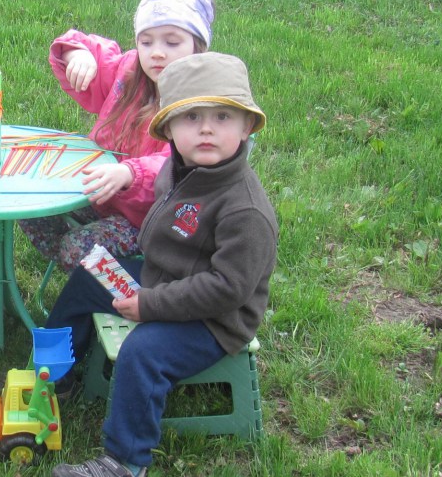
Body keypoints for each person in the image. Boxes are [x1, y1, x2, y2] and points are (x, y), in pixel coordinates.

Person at [48, 52, 278, 477]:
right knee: (87, 277)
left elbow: (227, 288)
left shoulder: (244, 209)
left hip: (212, 320)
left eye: (223, 117)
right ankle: (53, 377)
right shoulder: (177, 169)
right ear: (168, 128)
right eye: (191, 117)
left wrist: (150, 305)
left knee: (143, 352)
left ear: (247, 126)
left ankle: (125, 460)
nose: (206, 128)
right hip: (163, 281)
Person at [20, 0, 216, 273]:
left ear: (197, 46)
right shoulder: (130, 71)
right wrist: (77, 54)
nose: (157, 52)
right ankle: (84, 270)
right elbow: (96, 56)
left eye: (172, 42)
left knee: (77, 249)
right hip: (99, 195)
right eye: (146, 41)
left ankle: (119, 287)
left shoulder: (198, 105)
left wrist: (130, 172)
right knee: (28, 203)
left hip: (149, 219)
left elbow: (180, 167)